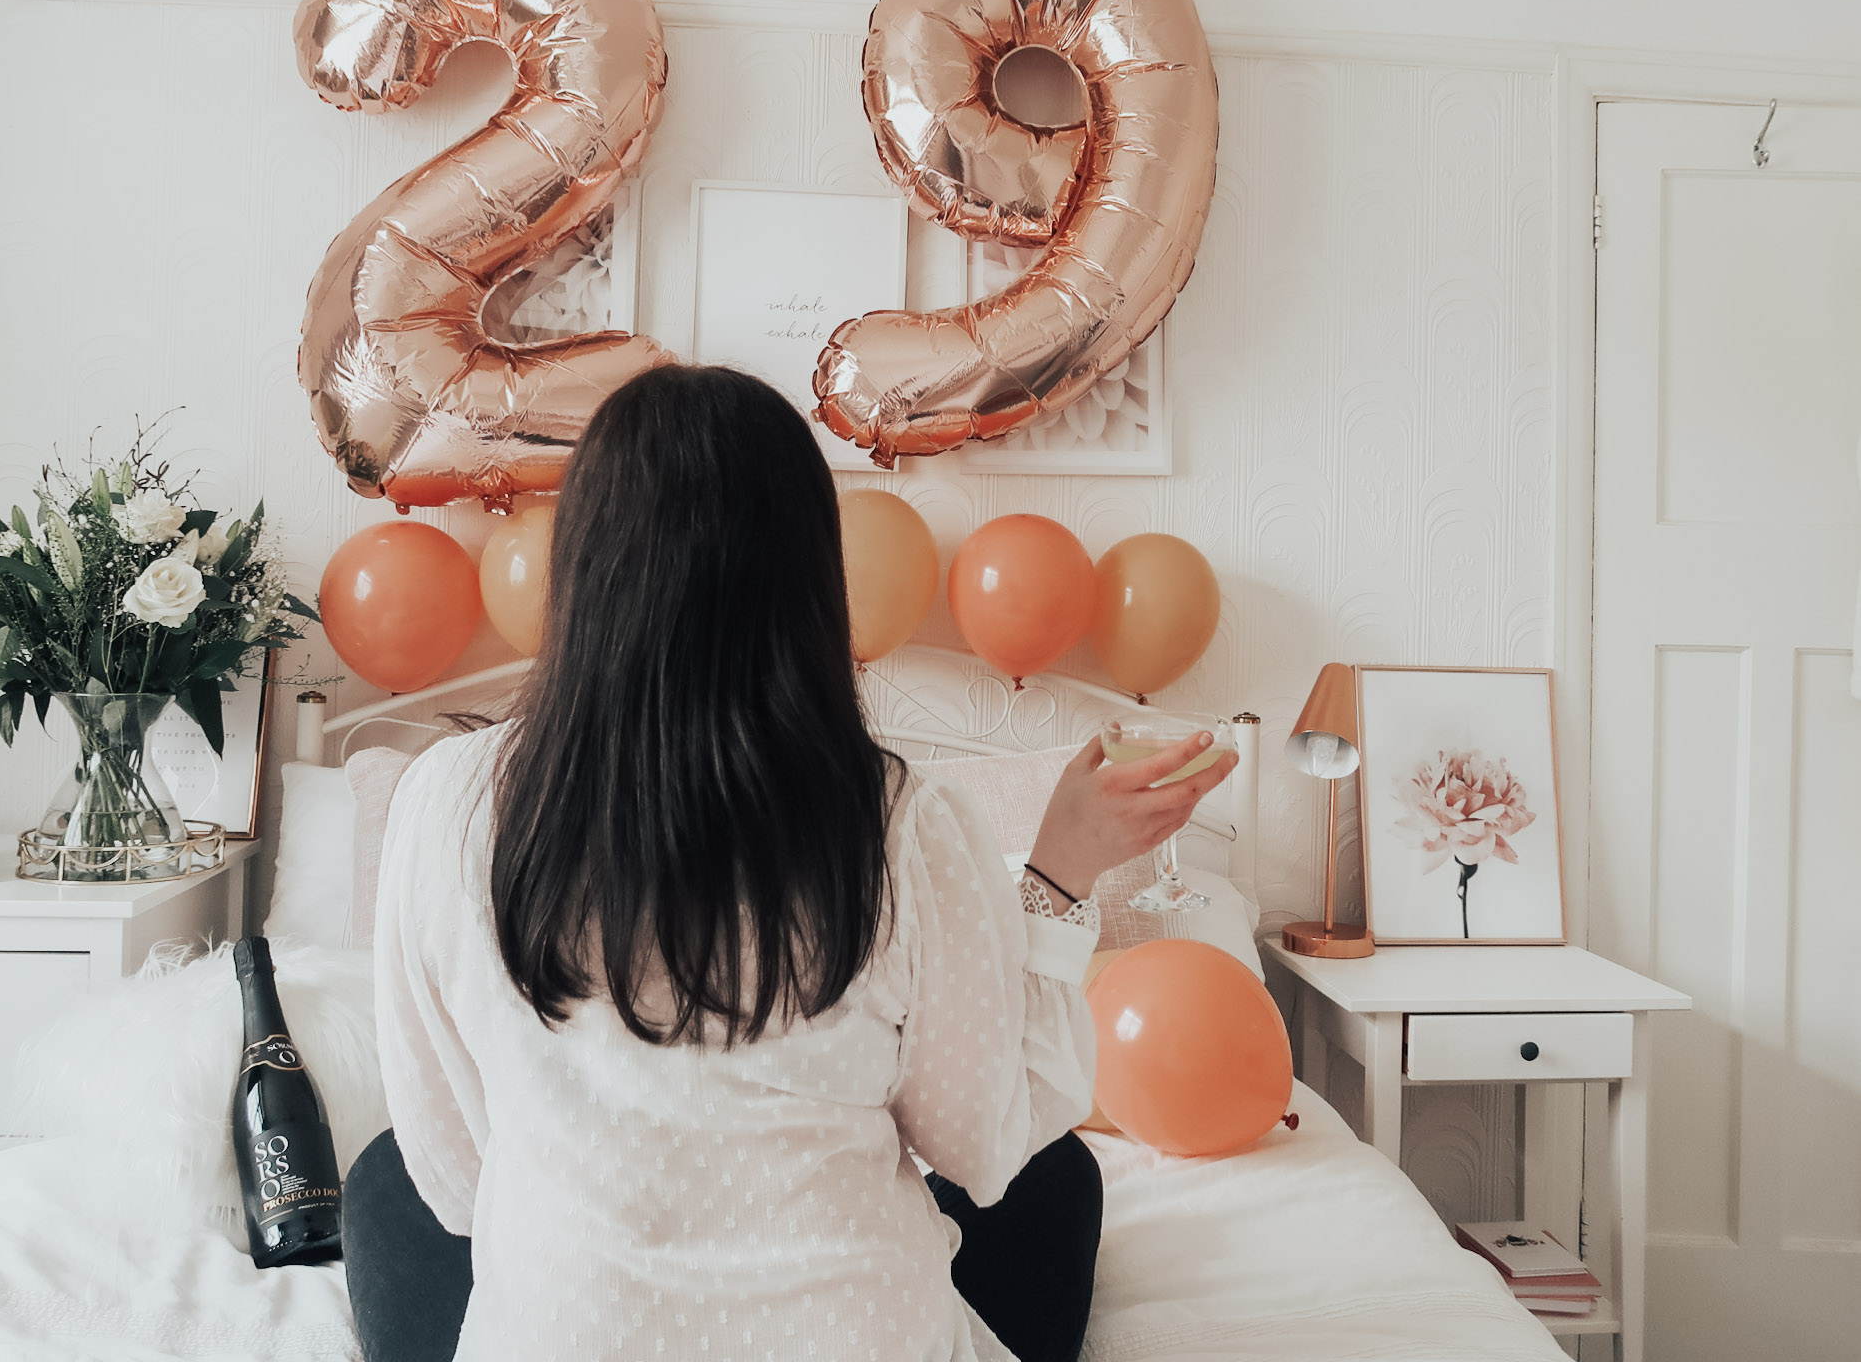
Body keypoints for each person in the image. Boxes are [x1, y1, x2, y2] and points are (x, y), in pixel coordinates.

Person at [344, 365, 1236, 1362]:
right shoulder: (897, 820)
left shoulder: (443, 801)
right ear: (811, 576)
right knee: (1055, 1178)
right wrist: (1058, 879)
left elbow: (456, 1178)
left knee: (386, 1188)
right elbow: (982, 1150)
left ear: (580, 565)